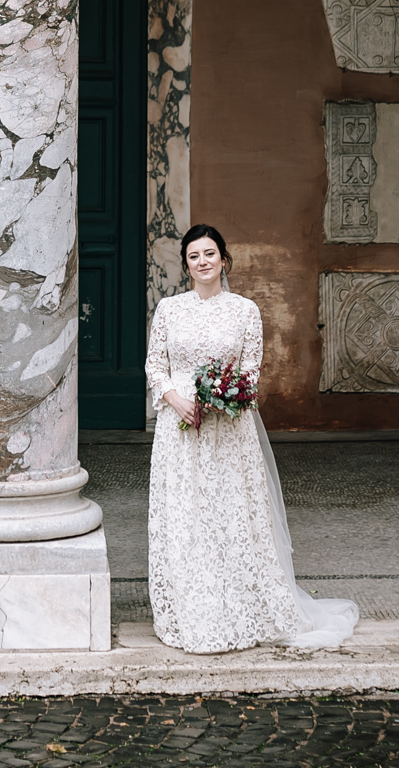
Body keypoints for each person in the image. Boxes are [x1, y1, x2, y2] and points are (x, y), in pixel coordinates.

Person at [145, 223, 360, 654]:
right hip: (180, 431)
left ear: (224, 259)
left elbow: (249, 373)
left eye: (209, 254)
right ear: (186, 265)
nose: (202, 262)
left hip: (229, 432)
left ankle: (241, 606)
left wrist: (223, 399)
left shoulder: (245, 310)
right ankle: (192, 610)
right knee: (186, 519)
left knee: (232, 517)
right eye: (193, 256)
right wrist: (176, 399)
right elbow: (155, 366)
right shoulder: (169, 310)